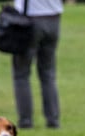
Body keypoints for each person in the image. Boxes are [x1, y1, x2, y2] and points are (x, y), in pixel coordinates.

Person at [12, 0, 62, 129]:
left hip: (30, 20)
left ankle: (25, 120)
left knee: (21, 74)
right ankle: (53, 119)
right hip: (54, 19)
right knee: (48, 74)